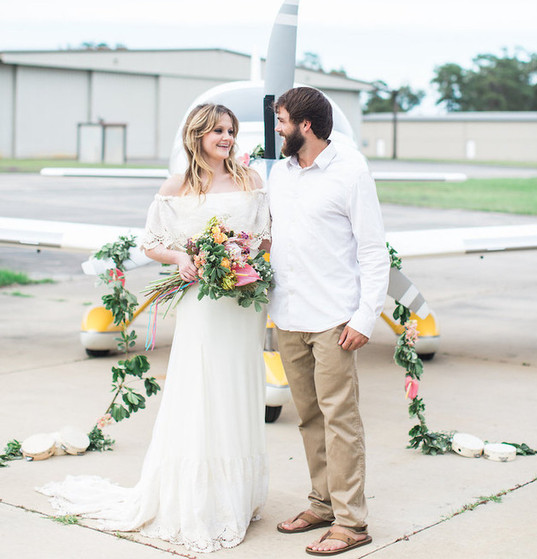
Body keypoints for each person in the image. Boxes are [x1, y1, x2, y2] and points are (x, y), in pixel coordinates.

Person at [39, 104, 271, 553]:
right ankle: (199, 496)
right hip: (202, 305)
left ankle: (236, 495)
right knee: (202, 388)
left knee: (238, 389)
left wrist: (245, 256)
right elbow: (151, 242)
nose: (226, 137)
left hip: (243, 303)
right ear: (198, 134)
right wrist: (183, 258)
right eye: (218, 130)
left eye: (231, 131)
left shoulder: (250, 181)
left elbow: (265, 237)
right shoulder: (176, 186)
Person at [266, 86, 390, 556]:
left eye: (282, 122)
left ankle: (351, 522)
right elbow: (273, 235)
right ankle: (321, 504)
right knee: (310, 418)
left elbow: (372, 251)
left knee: (341, 419)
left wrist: (365, 317)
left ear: (306, 127)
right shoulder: (281, 172)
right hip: (289, 316)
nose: (276, 130)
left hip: (335, 319)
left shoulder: (351, 171)